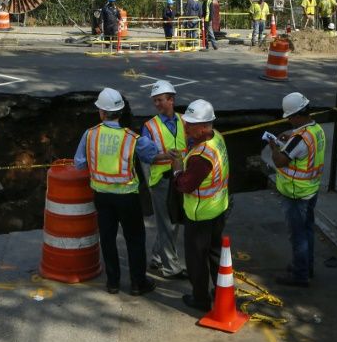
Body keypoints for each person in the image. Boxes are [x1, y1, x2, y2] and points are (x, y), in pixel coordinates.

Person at [74, 87, 168, 295]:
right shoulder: (131, 138)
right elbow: (152, 154)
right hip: (127, 197)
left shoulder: (90, 135)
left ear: (101, 112)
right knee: (134, 239)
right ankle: (137, 283)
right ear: (121, 112)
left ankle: (113, 282)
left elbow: (79, 164)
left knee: (107, 238)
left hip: (101, 196)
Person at [169, 99, 229, 312]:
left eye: (190, 124)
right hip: (218, 209)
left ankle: (200, 299)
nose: (185, 127)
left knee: (196, 261)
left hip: (200, 216)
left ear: (204, 127)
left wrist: (177, 168)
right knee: (215, 255)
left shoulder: (201, 157)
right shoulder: (217, 138)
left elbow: (185, 185)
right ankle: (222, 291)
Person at [267, 92, 326, 286]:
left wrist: (274, 146)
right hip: (310, 189)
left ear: (297, 115)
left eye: (290, 117)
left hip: (296, 194)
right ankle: (306, 267)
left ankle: (300, 275)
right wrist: (291, 135)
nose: (290, 121)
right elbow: (302, 140)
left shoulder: (299, 140)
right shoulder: (316, 129)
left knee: (298, 235)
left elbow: (280, 161)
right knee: (307, 230)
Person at [143, 80, 188, 279]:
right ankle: (171, 268)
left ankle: (157, 258)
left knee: (170, 222)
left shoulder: (184, 121)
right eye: (155, 101)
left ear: (171, 99)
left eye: (160, 100)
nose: (157, 104)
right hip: (161, 181)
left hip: (179, 177)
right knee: (168, 223)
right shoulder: (150, 127)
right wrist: (164, 156)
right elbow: (145, 155)